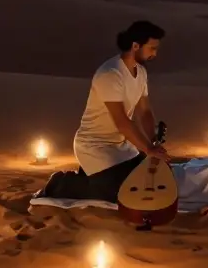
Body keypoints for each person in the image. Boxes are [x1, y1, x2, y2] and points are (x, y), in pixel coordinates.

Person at [39, 20, 172, 202]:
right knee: (116, 194)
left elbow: (145, 112)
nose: (154, 54)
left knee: (146, 180)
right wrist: (148, 149)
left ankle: (95, 175)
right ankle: (61, 183)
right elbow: (122, 121)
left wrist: (153, 141)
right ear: (135, 46)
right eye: (152, 48)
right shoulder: (111, 74)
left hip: (122, 146)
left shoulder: (141, 73)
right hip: (95, 146)